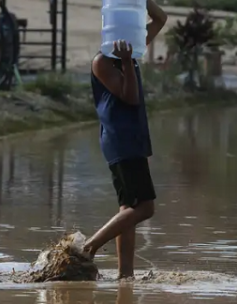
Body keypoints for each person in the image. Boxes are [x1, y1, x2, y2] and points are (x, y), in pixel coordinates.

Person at [82, 0, 167, 279]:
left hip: (130, 138)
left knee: (127, 208)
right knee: (144, 207)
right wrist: (129, 62)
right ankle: (89, 247)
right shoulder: (103, 62)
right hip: (121, 141)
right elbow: (129, 97)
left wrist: (141, 2)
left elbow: (160, 18)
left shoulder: (130, 51)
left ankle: (125, 276)